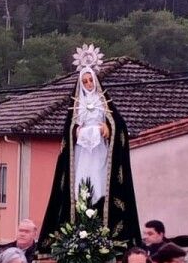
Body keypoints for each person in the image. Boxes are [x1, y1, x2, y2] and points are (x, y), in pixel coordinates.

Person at [40, 60, 143, 250]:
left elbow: (119, 126)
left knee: (100, 186)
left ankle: (103, 232)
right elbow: (68, 131)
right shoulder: (76, 105)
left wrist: (108, 127)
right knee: (80, 186)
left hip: (101, 152)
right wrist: (76, 131)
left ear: (96, 81)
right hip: (81, 153)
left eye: (90, 80)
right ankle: (78, 230)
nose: (88, 84)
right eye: (84, 81)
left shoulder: (104, 103)